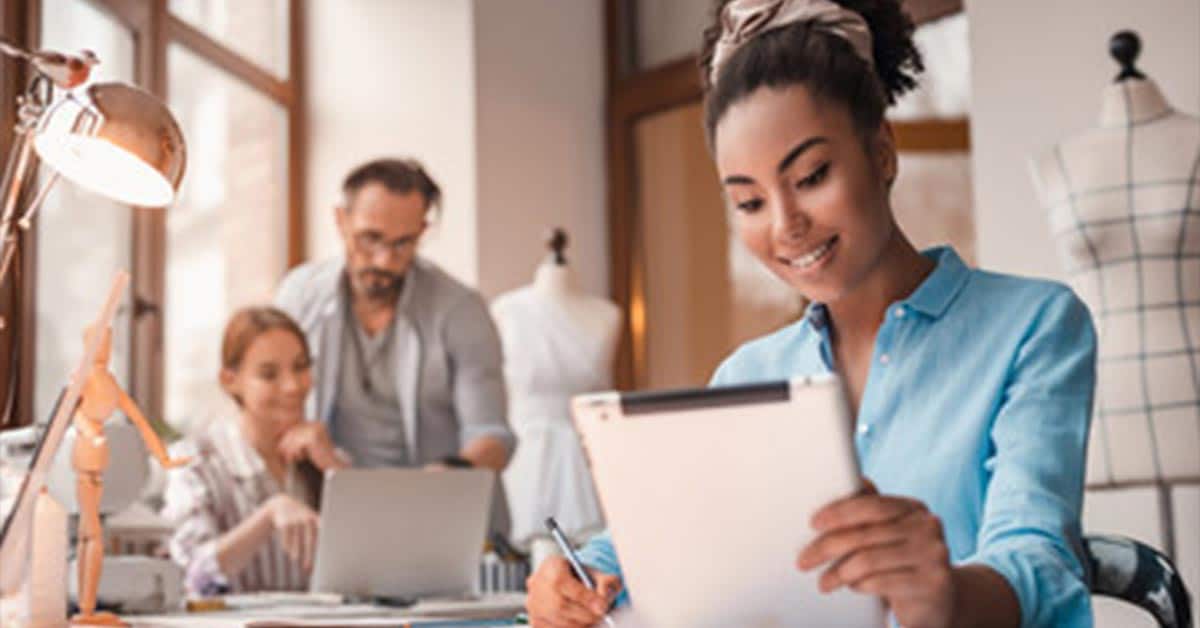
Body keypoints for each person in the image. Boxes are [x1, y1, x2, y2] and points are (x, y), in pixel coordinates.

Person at [525, 1, 1096, 626]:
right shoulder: (746, 375)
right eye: (748, 202)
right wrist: (569, 580)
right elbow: (654, 544)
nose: (785, 225)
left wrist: (944, 595)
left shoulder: (1033, 326)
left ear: (881, 151)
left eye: (812, 174)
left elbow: (1039, 557)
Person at [275, 158, 515, 531]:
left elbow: (492, 436)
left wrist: (448, 473)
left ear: (422, 230)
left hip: (441, 515)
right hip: (338, 514)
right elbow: (267, 401)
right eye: (370, 238)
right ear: (341, 220)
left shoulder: (461, 309)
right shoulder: (299, 293)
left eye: (403, 244)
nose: (385, 260)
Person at [161, 307, 348, 595]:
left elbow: (383, 565)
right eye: (269, 374)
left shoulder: (326, 456)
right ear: (229, 381)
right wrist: (269, 515)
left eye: (301, 367)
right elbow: (191, 575)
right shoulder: (194, 462)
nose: (293, 386)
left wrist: (334, 468)